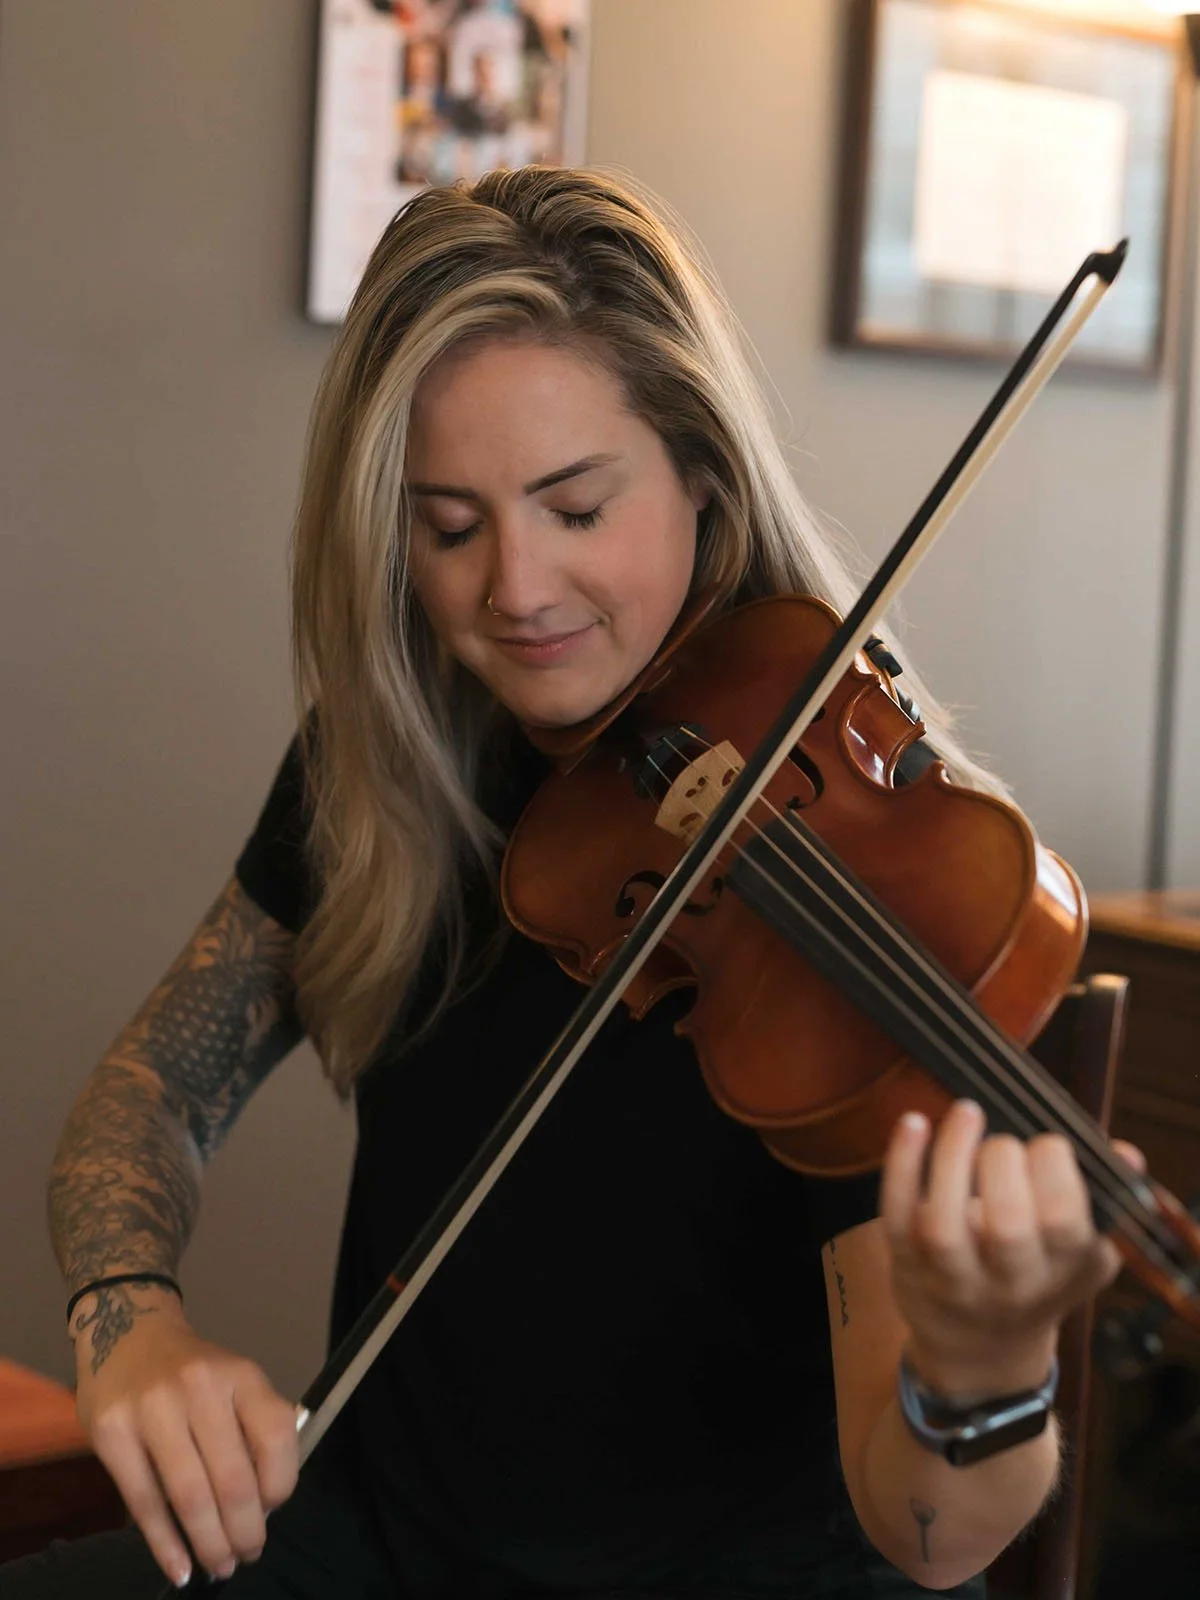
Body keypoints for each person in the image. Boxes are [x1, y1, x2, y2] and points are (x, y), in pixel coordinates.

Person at [5, 166, 1135, 1600]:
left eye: (577, 508)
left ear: (702, 476)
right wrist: (131, 1322)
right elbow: (152, 1090)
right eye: (452, 525)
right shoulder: (388, 768)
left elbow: (930, 1533)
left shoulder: (886, 883)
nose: (515, 590)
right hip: (385, 1543)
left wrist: (980, 1375)